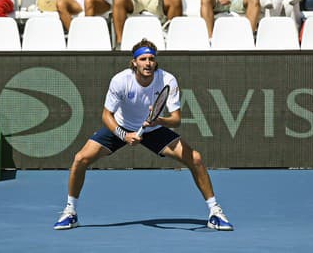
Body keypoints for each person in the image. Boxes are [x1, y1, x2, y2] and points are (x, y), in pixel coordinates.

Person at [53, 38, 234, 231]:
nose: (148, 63)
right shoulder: (120, 80)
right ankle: (70, 212)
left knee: (195, 158)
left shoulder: (167, 80)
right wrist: (124, 135)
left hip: (153, 129)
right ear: (134, 62)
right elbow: (106, 116)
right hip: (121, 127)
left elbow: (176, 119)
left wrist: (158, 121)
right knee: (80, 158)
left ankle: (215, 212)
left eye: (151, 59)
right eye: (143, 59)